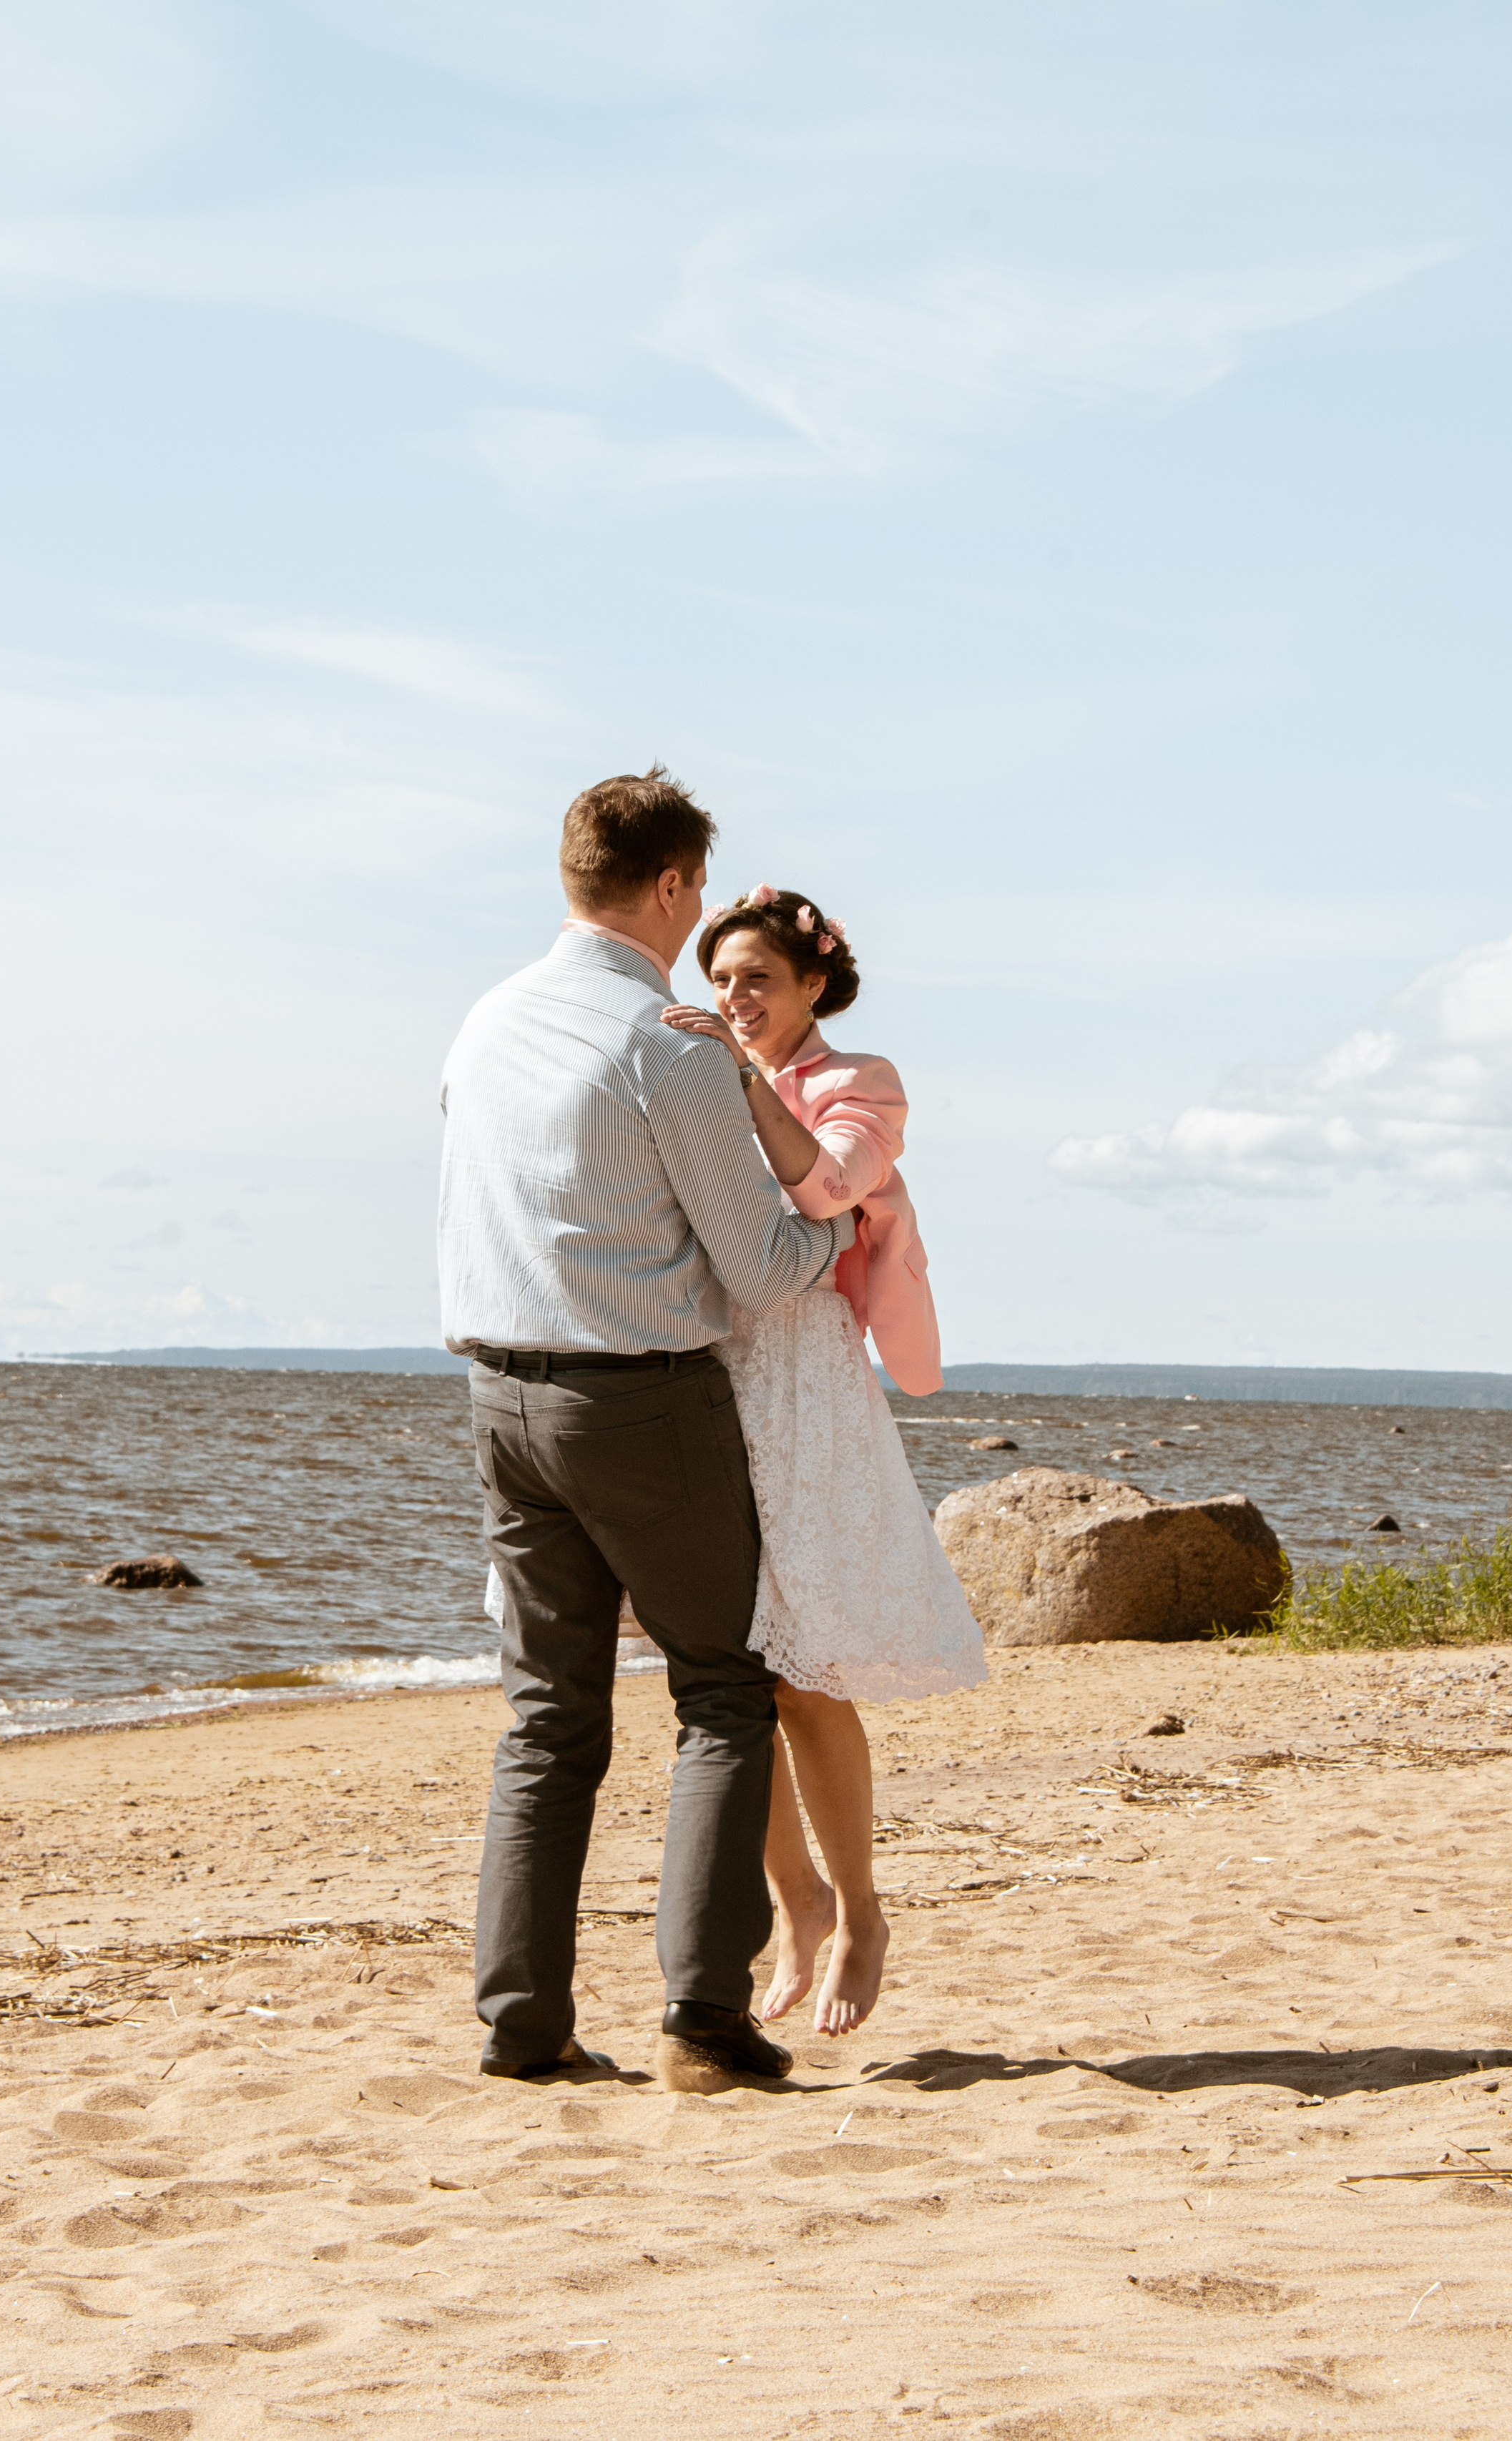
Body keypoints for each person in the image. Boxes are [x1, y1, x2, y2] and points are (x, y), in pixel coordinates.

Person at [438, 770, 852, 2091]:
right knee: (722, 1694)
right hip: (638, 1395)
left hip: (499, 1395)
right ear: (671, 887)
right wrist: (847, 1221)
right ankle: (704, 2020)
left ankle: (523, 2025)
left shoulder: (484, 1022)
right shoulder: (666, 1042)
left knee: (547, 1717)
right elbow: (761, 1263)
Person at [661, 885, 986, 2035]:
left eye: (758, 978)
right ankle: (789, 1899)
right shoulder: (691, 1066)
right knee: (726, 1674)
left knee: (812, 1672)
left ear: (812, 987)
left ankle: (861, 1910)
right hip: (708, 1369)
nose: (735, 998)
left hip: (804, 1373)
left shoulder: (862, 1083)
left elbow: (829, 1187)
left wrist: (745, 1082)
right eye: (722, 979)